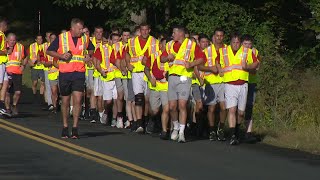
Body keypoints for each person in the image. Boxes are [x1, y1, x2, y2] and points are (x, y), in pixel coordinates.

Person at [47, 18, 95, 139]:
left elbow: (91, 48)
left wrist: (88, 56)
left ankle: (75, 128)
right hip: (65, 72)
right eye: (79, 29)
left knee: (78, 100)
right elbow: (49, 51)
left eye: (82, 29)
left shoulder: (84, 38)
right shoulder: (62, 37)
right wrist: (61, 56)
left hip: (79, 72)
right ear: (72, 28)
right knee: (65, 101)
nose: (81, 31)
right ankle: (64, 126)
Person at [160, 26, 205, 143]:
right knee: (172, 107)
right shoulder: (169, 44)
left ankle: (181, 132)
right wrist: (167, 57)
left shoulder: (191, 44)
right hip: (172, 78)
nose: (172, 34)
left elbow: (201, 59)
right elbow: (161, 58)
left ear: (181, 34)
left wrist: (192, 63)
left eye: (174, 32)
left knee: (182, 105)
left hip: (185, 78)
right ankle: (175, 127)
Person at [218, 32, 259, 145]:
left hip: (243, 84)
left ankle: (236, 130)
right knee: (232, 110)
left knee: (241, 113)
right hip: (230, 84)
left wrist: (248, 66)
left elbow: (256, 63)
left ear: (240, 43)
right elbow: (217, 62)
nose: (236, 44)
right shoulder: (224, 51)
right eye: (233, 42)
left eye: (237, 42)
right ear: (230, 42)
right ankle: (232, 136)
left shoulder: (247, 51)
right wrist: (219, 69)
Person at [125, 23, 159, 133]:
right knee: (138, 98)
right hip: (136, 71)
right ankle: (139, 124)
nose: (144, 32)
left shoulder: (154, 41)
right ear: (140, 30)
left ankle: (147, 120)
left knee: (148, 99)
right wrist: (128, 63)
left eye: (146, 30)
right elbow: (126, 53)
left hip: (148, 72)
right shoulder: (132, 41)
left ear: (149, 30)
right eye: (142, 30)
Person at [199, 28, 227, 141]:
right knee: (211, 108)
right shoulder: (207, 50)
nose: (219, 38)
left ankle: (221, 128)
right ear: (214, 37)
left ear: (223, 37)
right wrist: (211, 69)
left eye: (221, 35)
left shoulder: (227, 49)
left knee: (224, 107)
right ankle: (211, 130)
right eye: (217, 35)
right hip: (210, 81)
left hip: (224, 81)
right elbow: (200, 66)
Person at [144, 37, 170, 139]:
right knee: (154, 110)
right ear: (160, 46)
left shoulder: (171, 57)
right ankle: (152, 119)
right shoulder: (154, 56)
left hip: (167, 88)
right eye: (164, 45)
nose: (166, 48)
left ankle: (164, 131)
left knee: (166, 109)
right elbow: (146, 69)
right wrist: (150, 78)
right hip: (155, 86)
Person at [93, 35, 117, 126]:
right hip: (107, 78)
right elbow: (97, 63)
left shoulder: (118, 48)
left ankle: (114, 119)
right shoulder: (102, 49)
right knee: (108, 101)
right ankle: (106, 112)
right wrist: (101, 71)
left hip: (117, 77)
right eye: (113, 40)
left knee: (116, 99)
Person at [242, 34, 261, 143]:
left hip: (251, 82)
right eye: (245, 44)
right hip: (240, 82)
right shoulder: (239, 53)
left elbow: (256, 68)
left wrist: (247, 67)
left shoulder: (255, 52)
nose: (247, 46)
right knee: (238, 108)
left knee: (249, 106)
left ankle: (248, 132)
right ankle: (234, 129)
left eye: (249, 44)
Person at [5, 33, 27, 116]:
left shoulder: (20, 47)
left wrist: (23, 65)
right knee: (7, 91)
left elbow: (25, 57)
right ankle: (7, 108)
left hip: (17, 72)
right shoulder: (3, 47)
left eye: (14, 40)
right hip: (6, 72)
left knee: (18, 92)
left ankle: (14, 105)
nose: (12, 42)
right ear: (7, 39)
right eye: (10, 40)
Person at [89, 26, 104, 124]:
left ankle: (101, 113)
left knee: (101, 94)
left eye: (100, 32)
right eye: (97, 32)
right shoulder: (89, 42)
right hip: (91, 69)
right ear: (94, 33)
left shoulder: (105, 43)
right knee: (93, 92)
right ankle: (93, 113)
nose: (99, 34)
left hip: (102, 70)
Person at [28, 34, 45, 105]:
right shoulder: (32, 46)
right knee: (35, 83)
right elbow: (28, 56)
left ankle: (41, 97)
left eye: (41, 39)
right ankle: (34, 95)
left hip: (42, 67)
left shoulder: (45, 46)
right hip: (34, 67)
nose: (40, 40)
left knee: (42, 83)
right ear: (35, 40)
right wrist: (30, 62)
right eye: (38, 39)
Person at [44, 33, 59, 113]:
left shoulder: (60, 48)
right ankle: (55, 107)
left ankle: (62, 105)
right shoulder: (48, 50)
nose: (53, 40)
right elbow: (45, 63)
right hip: (51, 73)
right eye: (51, 38)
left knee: (62, 91)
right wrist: (50, 63)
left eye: (54, 38)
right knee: (54, 91)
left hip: (60, 72)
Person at [0, 17, 11, 116]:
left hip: (3, 63)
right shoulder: (0, 35)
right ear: (3, 26)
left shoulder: (3, 35)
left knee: (6, 82)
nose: (7, 28)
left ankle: (1, 104)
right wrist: (5, 52)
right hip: (0, 63)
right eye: (6, 26)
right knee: (0, 84)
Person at [42, 31, 54, 111]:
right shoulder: (44, 46)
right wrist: (45, 63)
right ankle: (50, 103)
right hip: (47, 68)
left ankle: (56, 102)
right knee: (48, 86)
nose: (50, 38)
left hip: (57, 68)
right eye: (48, 36)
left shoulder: (58, 45)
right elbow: (41, 56)